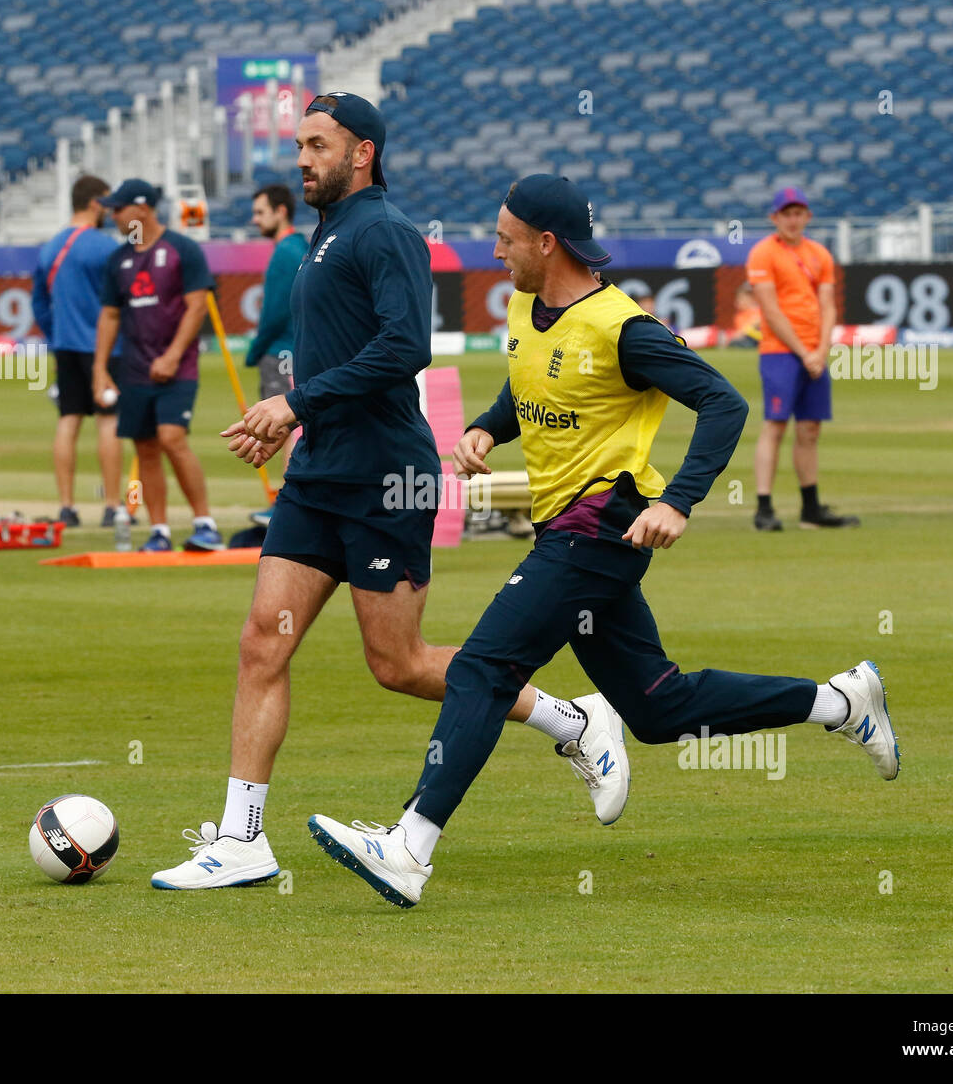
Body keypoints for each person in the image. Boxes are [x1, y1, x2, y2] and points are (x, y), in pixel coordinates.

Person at [305, 174, 900, 908]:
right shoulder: (528, 307)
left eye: (506, 237)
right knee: (659, 708)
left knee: (482, 668)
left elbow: (724, 402)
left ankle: (409, 847)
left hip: (600, 526)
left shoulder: (624, 327)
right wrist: (490, 425)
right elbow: (530, 387)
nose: (495, 251)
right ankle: (842, 702)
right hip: (566, 527)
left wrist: (678, 501)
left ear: (546, 242)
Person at [150, 97, 618, 892]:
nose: (300, 158)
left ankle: (570, 719)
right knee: (264, 640)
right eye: (297, 143)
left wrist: (293, 403)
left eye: (316, 144)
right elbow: (337, 355)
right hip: (318, 476)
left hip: (385, 484)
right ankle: (242, 839)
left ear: (361, 152)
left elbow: (406, 348)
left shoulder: (387, 231)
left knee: (396, 664)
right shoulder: (322, 236)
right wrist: (290, 422)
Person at [91, 179, 223, 552]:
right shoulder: (118, 260)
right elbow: (110, 317)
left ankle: (205, 523)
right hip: (134, 369)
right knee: (145, 447)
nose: (113, 215)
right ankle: (159, 530)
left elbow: (197, 306)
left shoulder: (183, 250)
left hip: (178, 368)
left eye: (119, 208)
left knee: (172, 439)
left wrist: (172, 355)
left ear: (142, 209)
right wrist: (100, 368)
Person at [747, 187, 857, 531]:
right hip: (781, 351)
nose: (793, 220)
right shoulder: (763, 254)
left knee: (810, 428)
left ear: (807, 217)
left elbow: (828, 304)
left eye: (799, 214)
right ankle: (763, 507)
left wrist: (822, 349)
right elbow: (770, 309)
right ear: (774, 217)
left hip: (813, 352)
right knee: (775, 424)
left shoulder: (819, 253)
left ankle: (811, 507)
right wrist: (805, 351)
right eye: (786, 214)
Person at [32, 175, 127, 528]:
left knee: (68, 420)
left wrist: (57, 334)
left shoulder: (50, 247)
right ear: (93, 203)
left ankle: (67, 508)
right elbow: (122, 300)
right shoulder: (105, 248)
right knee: (108, 421)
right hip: (105, 348)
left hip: (66, 345)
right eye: (106, 202)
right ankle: (112, 506)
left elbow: (38, 303)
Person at [248, 183, 309, 404]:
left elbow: (273, 313)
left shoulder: (284, 252)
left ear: (281, 212)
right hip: (301, 353)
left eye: (260, 212)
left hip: (281, 352)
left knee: (274, 432)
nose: (254, 220)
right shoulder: (301, 246)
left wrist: (254, 352)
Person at [726, 282, 763, 347]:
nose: (739, 302)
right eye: (740, 299)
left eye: (743, 299)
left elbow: (759, 320)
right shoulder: (739, 316)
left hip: (761, 337)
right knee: (736, 343)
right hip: (750, 338)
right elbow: (741, 331)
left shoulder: (759, 310)